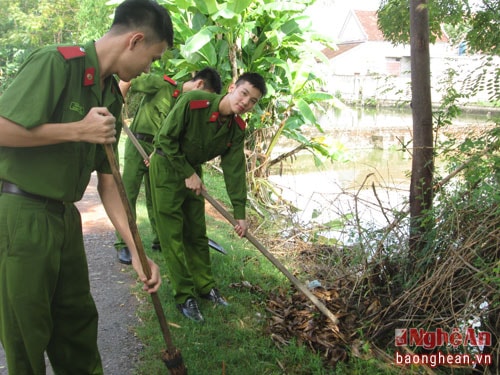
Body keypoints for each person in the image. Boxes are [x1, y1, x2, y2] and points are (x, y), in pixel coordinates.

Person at [0, 1, 173, 374]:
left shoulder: (110, 94)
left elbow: (108, 183)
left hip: (65, 218)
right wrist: (78, 129)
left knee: (77, 323)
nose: (149, 68)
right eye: (153, 58)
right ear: (135, 40)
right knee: (26, 333)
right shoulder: (56, 63)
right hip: (22, 214)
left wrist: (136, 250)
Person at [150, 73, 267, 322]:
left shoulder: (236, 129)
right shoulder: (193, 102)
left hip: (193, 173)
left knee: (196, 233)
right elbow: (165, 139)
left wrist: (240, 215)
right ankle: (184, 296)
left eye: (253, 101)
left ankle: (206, 288)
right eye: (244, 93)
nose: (246, 102)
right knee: (172, 235)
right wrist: (186, 173)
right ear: (232, 88)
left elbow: (235, 172)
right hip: (167, 167)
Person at [115, 68, 222, 265]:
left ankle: (160, 241)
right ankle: (125, 243)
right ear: (199, 85)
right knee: (128, 192)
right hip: (137, 143)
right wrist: (116, 109)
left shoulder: (189, 106)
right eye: (205, 95)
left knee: (156, 196)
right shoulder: (161, 84)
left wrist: (157, 155)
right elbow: (127, 78)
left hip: (159, 152)